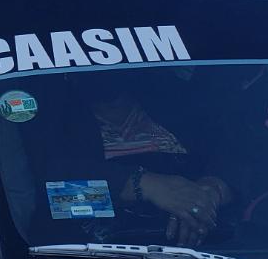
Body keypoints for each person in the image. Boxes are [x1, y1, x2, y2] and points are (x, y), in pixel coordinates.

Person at [88, 91, 232, 247]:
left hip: (208, 254)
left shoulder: (187, 107)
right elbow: (67, 202)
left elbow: (239, 165)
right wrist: (139, 185)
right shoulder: (68, 126)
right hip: (90, 255)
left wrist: (209, 193)